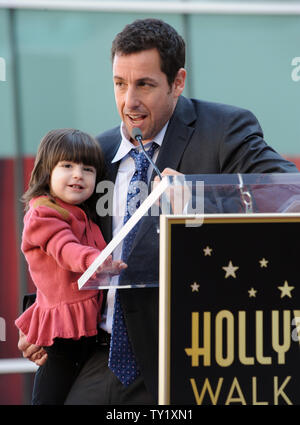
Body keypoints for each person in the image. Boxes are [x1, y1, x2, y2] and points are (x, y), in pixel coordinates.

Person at [18, 19, 299, 405]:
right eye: (119, 83)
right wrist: (39, 315)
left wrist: (200, 201)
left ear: (177, 82)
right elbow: (63, 236)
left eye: (144, 85)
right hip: (95, 357)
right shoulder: (92, 155)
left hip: (182, 360)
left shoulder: (224, 130)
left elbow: (286, 191)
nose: (128, 101)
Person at [15, 128, 127, 404]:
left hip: (88, 329)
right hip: (62, 329)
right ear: (46, 171)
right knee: (52, 391)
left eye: (87, 169)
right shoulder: (44, 212)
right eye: (67, 166)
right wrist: (96, 261)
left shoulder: (83, 214)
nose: (78, 174)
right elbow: (64, 248)